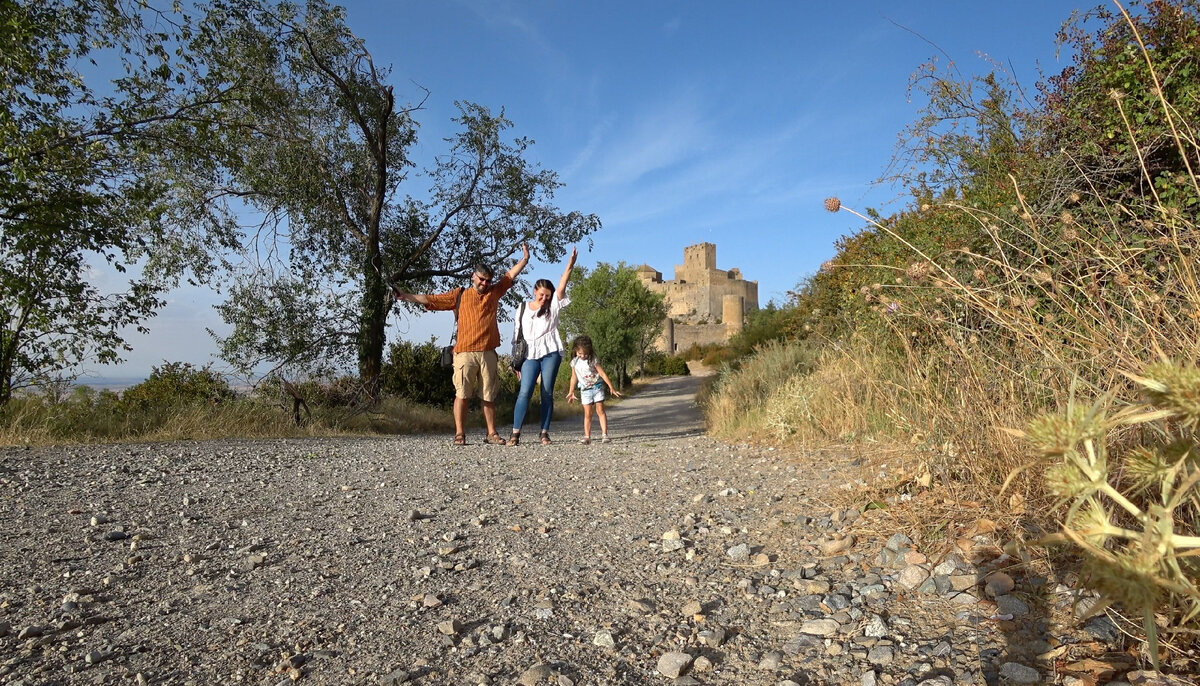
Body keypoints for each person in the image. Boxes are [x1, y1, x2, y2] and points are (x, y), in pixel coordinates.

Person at [393, 244, 530, 446]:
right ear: (473, 276)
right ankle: (460, 434)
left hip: (488, 352)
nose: (484, 283)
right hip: (464, 352)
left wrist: (524, 259)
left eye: (488, 280)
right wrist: (405, 295)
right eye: (481, 279)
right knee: (462, 395)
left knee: (489, 396)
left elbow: (509, 276)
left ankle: (491, 433)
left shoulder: (494, 292)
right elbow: (431, 299)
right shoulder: (459, 295)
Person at [508, 247, 578, 446]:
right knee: (525, 391)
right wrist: (515, 362)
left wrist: (570, 264)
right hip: (529, 353)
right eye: (541, 295)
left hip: (550, 352)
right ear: (535, 291)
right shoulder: (522, 308)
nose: (544, 299)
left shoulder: (554, 305)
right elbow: (516, 336)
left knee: (546, 391)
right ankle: (515, 433)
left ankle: (544, 432)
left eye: (547, 296)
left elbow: (563, 284)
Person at [565, 334, 622, 444]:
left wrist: (611, 387)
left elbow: (602, 373)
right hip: (585, 391)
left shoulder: (593, 359)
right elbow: (573, 377)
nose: (583, 355)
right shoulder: (574, 362)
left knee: (600, 411)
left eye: (585, 353)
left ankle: (605, 435)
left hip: (597, 388)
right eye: (580, 353)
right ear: (576, 350)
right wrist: (571, 391)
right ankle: (587, 436)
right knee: (588, 414)